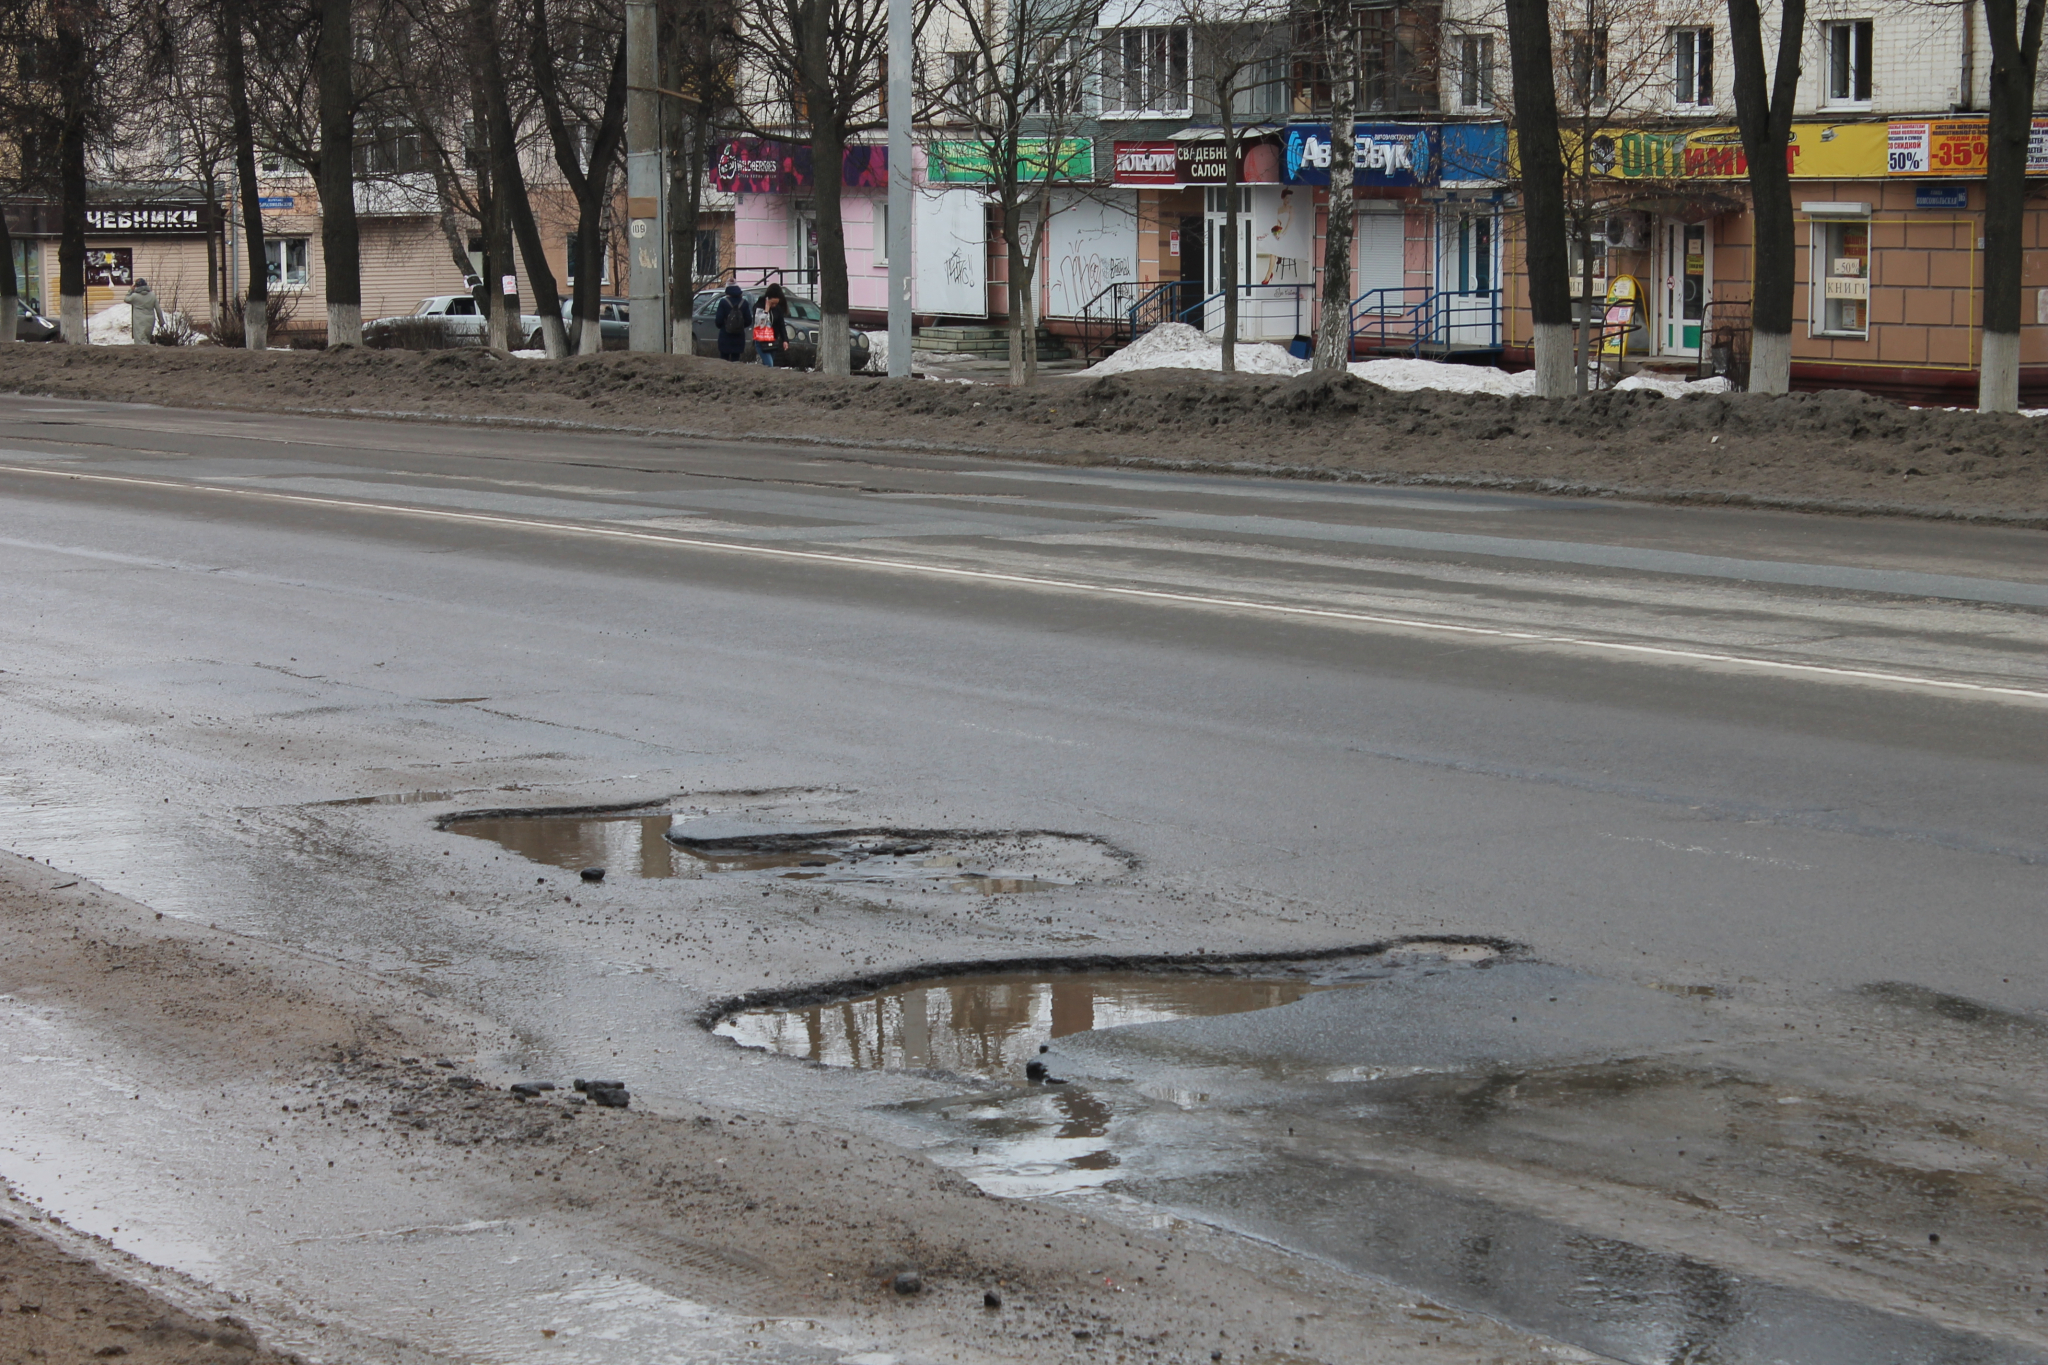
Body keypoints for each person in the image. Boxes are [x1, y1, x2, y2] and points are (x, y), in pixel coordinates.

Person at [752, 283, 788, 367]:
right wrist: (766, 310)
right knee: (769, 364)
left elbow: (781, 325)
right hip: (761, 341)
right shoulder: (758, 307)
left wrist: (785, 340)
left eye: (776, 303)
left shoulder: (777, 309)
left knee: (767, 366)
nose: (774, 306)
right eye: (772, 303)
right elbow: (759, 324)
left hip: (773, 341)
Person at [714, 283, 749, 362]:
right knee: (736, 361)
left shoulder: (723, 302)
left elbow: (718, 321)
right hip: (739, 337)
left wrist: (724, 326)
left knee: (724, 361)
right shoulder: (744, 303)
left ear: (727, 293)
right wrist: (739, 326)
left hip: (725, 336)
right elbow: (748, 320)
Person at [124, 279, 160, 345]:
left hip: (139, 320)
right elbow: (158, 309)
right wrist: (161, 321)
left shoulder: (134, 296)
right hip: (150, 319)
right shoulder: (152, 295)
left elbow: (126, 299)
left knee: (140, 340)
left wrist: (131, 290)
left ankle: (144, 354)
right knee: (147, 338)